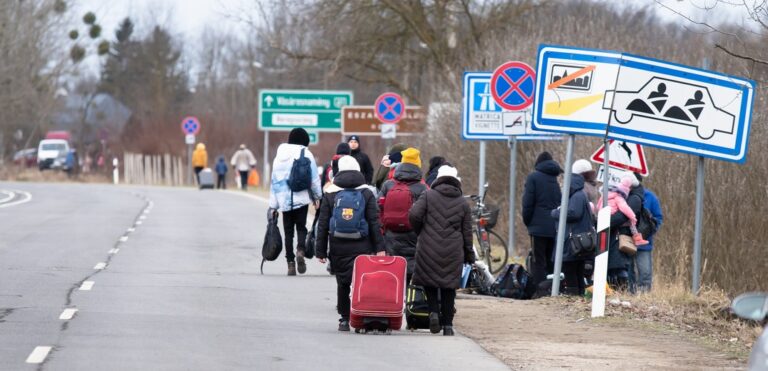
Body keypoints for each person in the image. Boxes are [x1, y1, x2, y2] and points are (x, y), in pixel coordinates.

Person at [315, 156, 385, 331]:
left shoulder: (330, 192)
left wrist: (321, 251)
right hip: (363, 245)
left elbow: (322, 224)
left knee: (342, 282)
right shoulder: (367, 193)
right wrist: (380, 248)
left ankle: (344, 319)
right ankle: (362, 317)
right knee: (363, 281)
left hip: (338, 245)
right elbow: (374, 222)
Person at [409, 165, 474, 336]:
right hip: (453, 250)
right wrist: (469, 255)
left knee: (430, 282)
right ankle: (448, 326)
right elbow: (467, 233)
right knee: (448, 287)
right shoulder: (463, 203)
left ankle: (433, 313)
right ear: (456, 181)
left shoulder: (428, 195)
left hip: (428, 246)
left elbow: (414, 214)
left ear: (439, 178)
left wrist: (421, 231)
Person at [269, 128, 322, 276]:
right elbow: (314, 179)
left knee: (288, 232)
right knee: (301, 228)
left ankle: (290, 263)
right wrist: (317, 197)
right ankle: (300, 251)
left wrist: (273, 205)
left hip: (284, 200)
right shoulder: (307, 154)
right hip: (301, 198)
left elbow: (274, 182)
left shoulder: (278, 157)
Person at [378, 147, 428, 283]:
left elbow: (378, 209)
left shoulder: (388, 185)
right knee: (412, 267)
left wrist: (382, 230)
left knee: (395, 268)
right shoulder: (423, 188)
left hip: (390, 235)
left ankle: (396, 299)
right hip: (414, 234)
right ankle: (411, 299)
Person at [522, 151, 563, 287]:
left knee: (538, 260)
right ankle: (551, 288)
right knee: (551, 259)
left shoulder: (533, 178)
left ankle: (539, 289)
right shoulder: (555, 180)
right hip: (554, 226)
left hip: (538, 227)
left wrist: (528, 222)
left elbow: (528, 203)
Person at [551, 172, 593, 296]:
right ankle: (578, 294)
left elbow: (573, 213)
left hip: (573, 241)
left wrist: (555, 213)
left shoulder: (577, 196)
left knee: (570, 268)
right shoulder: (580, 195)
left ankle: (572, 294)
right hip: (578, 240)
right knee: (577, 269)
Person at [607, 173, 643, 290]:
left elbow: (623, 216)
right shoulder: (630, 196)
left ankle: (623, 291)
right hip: (618, 235)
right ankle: (619, 290)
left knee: (620, 267)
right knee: (616, 266)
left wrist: (604, 222)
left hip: (622, 236)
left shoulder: (634, 199)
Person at [629, 173, 663, 293]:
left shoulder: (651, 197)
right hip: (626, 240)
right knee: (628, 272)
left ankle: (644, 296)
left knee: (645, 273)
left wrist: (648, 231)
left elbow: (658, 218)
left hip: (644, 243)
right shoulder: (623, 194)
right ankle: (630, 294)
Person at [596, 177, 649, 246]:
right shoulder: (618, 197)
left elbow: (598, 205)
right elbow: (625, 208)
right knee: (631, 223)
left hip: (603, 215)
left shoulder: (605, 196)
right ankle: (637, 238)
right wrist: (633, 217)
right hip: (613, 214)